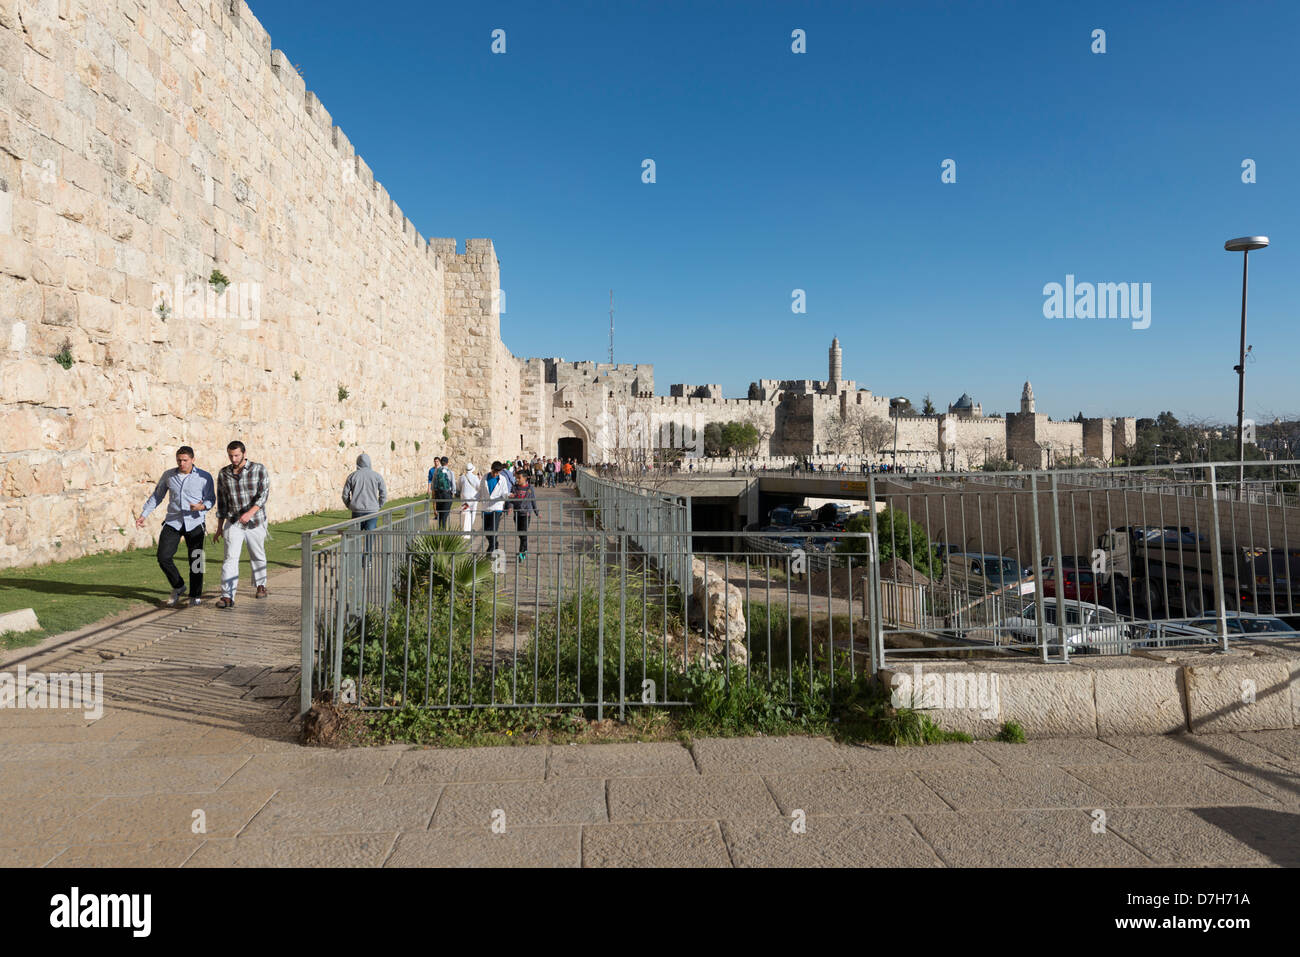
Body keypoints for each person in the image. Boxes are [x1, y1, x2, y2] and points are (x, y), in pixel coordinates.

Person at [136, 446, 215, 607]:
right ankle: (179, 586)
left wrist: (202, 507)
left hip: (195, 523)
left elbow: (211, 498)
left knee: (197, 560)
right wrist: (144, 514)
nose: (182, 463)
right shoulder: (169, 475)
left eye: (185, 460)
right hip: (173, 522)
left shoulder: (204, 477)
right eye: (179, 460)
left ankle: (195, 595)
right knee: (163, 557)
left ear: (193, 460)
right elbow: (157, 496)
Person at [214, 440, 271, 608]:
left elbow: (264, 495)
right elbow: (222, 502)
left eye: (237, 455)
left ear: (244, 454)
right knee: (230, 558)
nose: (233, 459)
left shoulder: (259, 469)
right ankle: (227, 596)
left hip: (256, 521)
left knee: (257, 554)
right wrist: (219, 527)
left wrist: (250, 512)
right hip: (233, 522)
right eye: (231, 456)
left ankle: (261, 585)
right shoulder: (223, 474)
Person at [342, 453, 387, 559]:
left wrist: (350, 505)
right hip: (372, 512)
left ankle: (355, 560)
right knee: (369, 537)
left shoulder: (352, 476)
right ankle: (367, 560)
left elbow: (345, 495)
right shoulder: (376, 476)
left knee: (355, 536)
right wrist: (378, 506)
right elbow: (383, 494)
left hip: (357, 511)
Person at [479, 461, 509, 553]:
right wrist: (469, 502)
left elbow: (504, 492)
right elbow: (480, 491)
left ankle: (491, 549)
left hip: (496, 507)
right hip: (486, 508)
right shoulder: (485, 477)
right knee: (486, 530)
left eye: (497, 473)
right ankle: (494, 543)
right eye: (494, 472)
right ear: (491, 469)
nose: (495, 474)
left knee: (493, 529)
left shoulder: (502, 479)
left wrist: (507, 496)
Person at [509, 471, 538, 561]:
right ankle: (524, 548)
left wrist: (537, 512)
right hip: (517, 513)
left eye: (519, 478)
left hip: (526, 513)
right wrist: (510, 507)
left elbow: (533, 500)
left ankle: (522, 551)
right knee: (519, 532)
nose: (517, 480)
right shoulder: (514, 487)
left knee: (523, 533)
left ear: (525, 478)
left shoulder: (530, 488)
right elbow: (510, 499)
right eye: (516, 478)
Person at [429, 456, 455, 530]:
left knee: (440, 514)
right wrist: (453, 493)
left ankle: (440, 530)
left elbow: (433, 483)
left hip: (438, 495)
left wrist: (434, 493)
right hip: (447, 494)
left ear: (441, 462)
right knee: (445, 514)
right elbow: (453, 485)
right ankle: (443, 531)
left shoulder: (436, 471)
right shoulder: (450, 472)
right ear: (447, 463)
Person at [459, 463, 481, 539]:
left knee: (465, 514)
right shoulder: (475, 477)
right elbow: (479, 487)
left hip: (464, 497)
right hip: (473, 498)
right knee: (472, 514)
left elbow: (459, 486)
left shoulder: (462, 477)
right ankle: (468, 530)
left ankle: (465, 531)